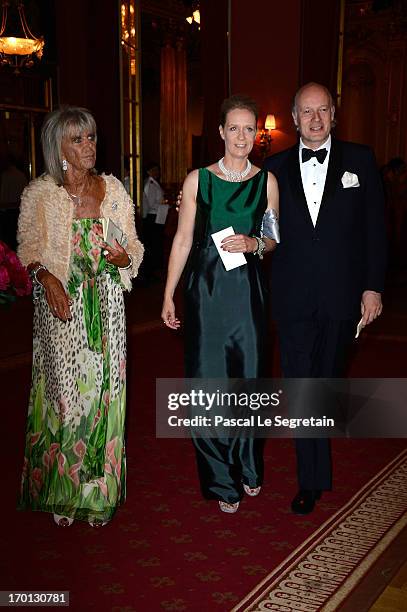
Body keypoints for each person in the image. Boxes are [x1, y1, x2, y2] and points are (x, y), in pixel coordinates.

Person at [17, 107, 144, 527]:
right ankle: (62, 488)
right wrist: (47, 277)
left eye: (91, 137)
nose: (88, 146)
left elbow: (135, 249)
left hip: (107, 306)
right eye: (78, 139)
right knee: (65, 397)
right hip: (62, 308)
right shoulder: (40, 194)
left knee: (105, 397)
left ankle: (95, 492)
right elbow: (28, 250)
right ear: (59, 147)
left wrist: (126, 258)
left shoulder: (114, 190)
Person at [264, 82, 386, 514]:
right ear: (294, 118)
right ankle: (310, 481)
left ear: (334, 114)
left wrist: (373, 287)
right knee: (302, 386)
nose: (314, 119)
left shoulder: (361, 160)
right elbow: (265, 228)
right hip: (293, 294)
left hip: (342, 295)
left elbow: (375, 229)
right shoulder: (273, 166)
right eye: (306, 112)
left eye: (322, 111)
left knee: (326, 380)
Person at [161, 95, 279, 513]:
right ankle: (220, 479)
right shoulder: (198, 180)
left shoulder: (267, 182)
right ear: (221, 132)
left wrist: (254, 243)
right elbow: (181, 240)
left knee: (248, 382)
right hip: (205, 294)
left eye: (250, 129)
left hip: (247, 295)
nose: (243, 136)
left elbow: (273, 240)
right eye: (235, 128)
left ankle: (248, 464)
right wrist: (168, 294)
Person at [141, 162, 169, 282]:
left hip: (157, 217)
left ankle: (154, 271)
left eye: (157, 170)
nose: (157, 172)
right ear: (149, 171)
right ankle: (151, 272)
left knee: (156, 244)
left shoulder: (154, 183)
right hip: (153, 217)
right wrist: (163, 204)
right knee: (153, 244)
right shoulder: (150, 184)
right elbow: (151, 204)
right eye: (154, 170)